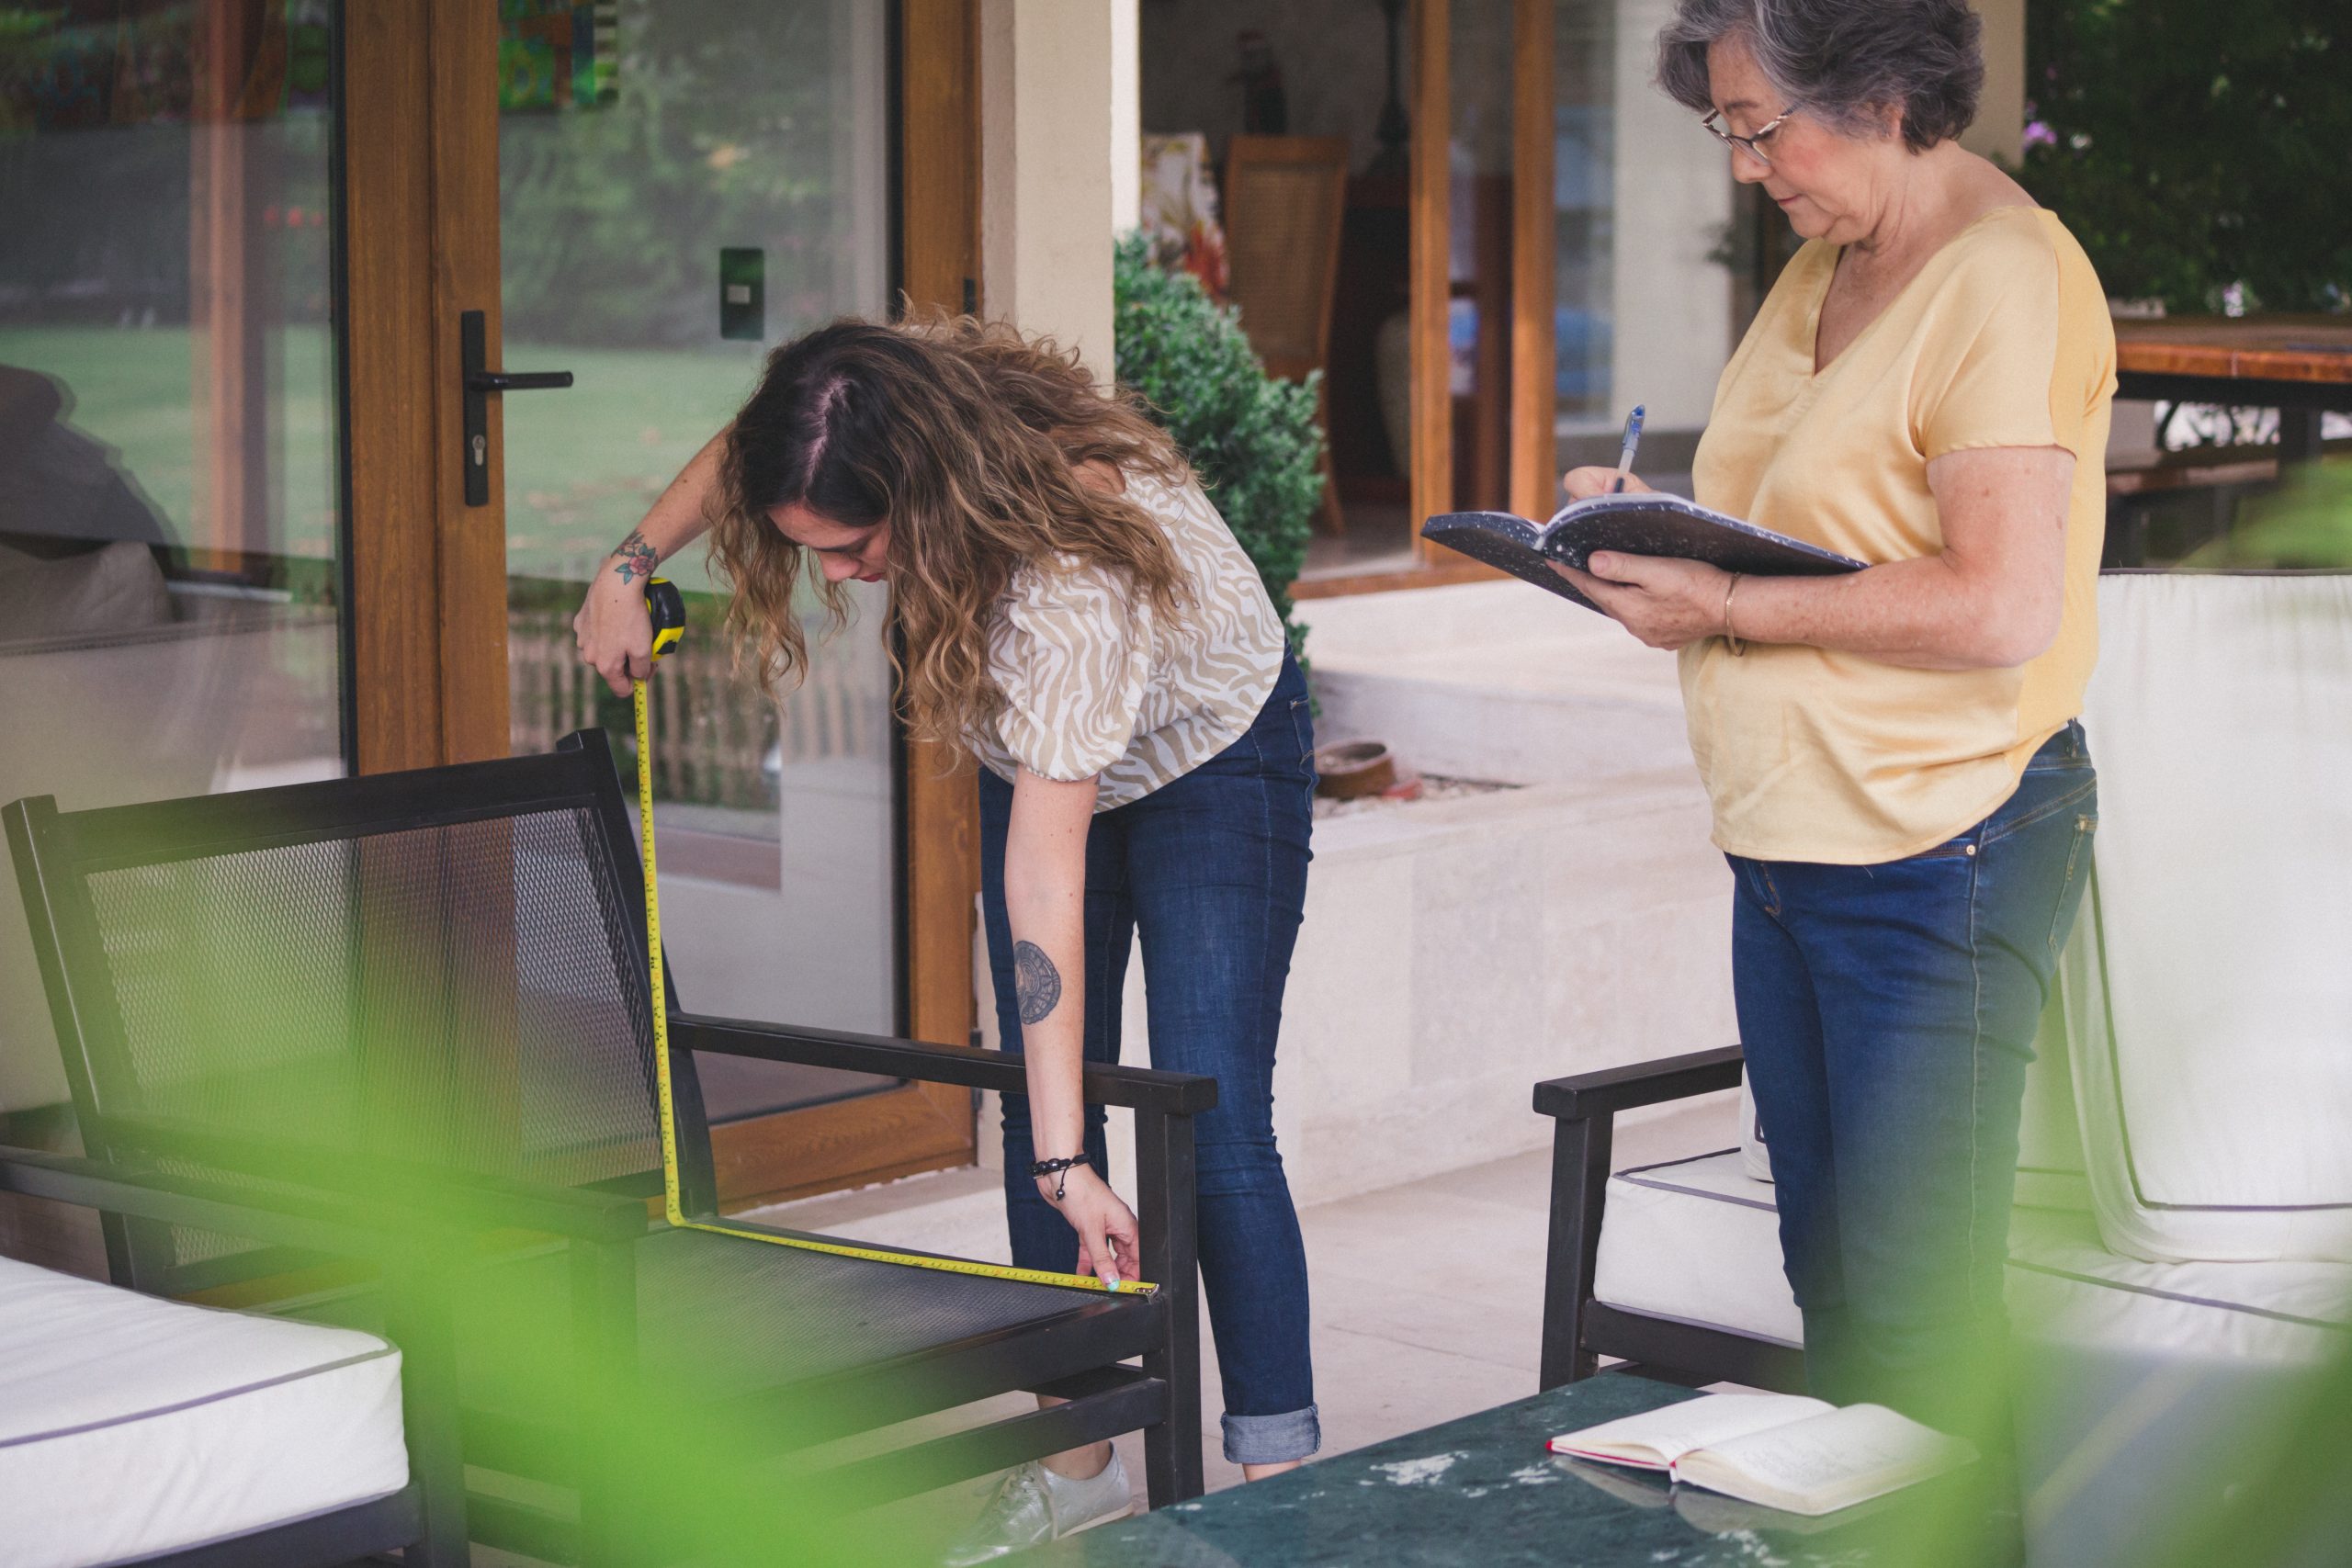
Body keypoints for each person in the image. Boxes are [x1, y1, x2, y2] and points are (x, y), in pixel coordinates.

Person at [571, 316, 1318, 1555]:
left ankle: (1280, 1495)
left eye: (858, 548)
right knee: (1044, 1110)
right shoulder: (873, 403)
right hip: (1044, 749)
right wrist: (626, 561)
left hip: (1209, 758)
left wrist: (1080, 1167)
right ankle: (1076, 1467)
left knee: (1211, 1116)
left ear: (923, 497)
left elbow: (1045, 878)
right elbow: (749, 450)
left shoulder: (1065, 581)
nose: (847, 579)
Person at [1558, 0, 2115, 1471]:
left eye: (1758, 126)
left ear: (1874, 92)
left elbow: (2001, 603)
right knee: (1841, 1300)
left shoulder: (2005, 277)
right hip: (1790, 847)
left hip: (1940, 839)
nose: (1746, 168)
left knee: (1923, 1324)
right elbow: (1816, 516)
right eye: (1722, 132)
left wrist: (1722, 603)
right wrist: (1627, 522)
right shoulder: (1828, 261)